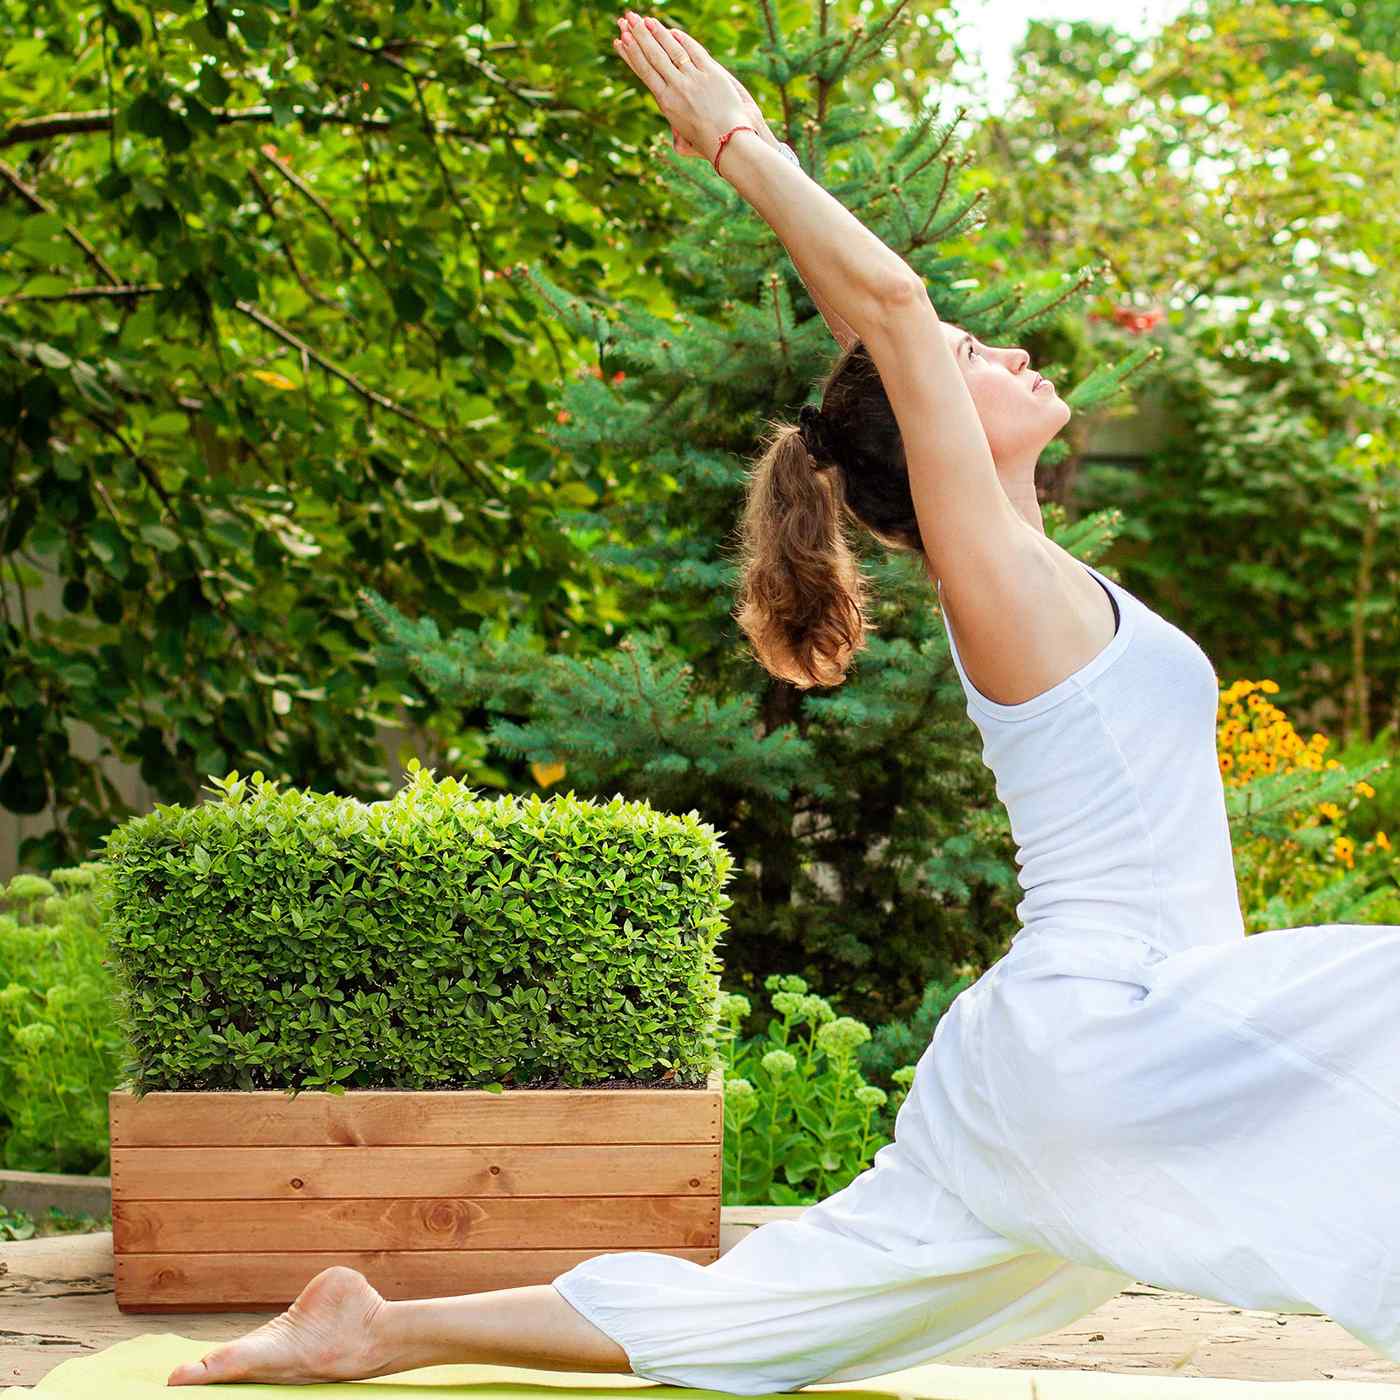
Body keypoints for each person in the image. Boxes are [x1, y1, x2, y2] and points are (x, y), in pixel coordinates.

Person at [165, 11, 1400, 1390]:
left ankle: (378, 1329)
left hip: (1061, 1054)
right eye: (977, 361)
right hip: (1120, 1027)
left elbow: (894, 345)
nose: (1007, 357)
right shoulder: (987, 573)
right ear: (927, 432)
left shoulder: (1030, 566)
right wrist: (738, 140)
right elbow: (891, 314)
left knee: (781, 1306)